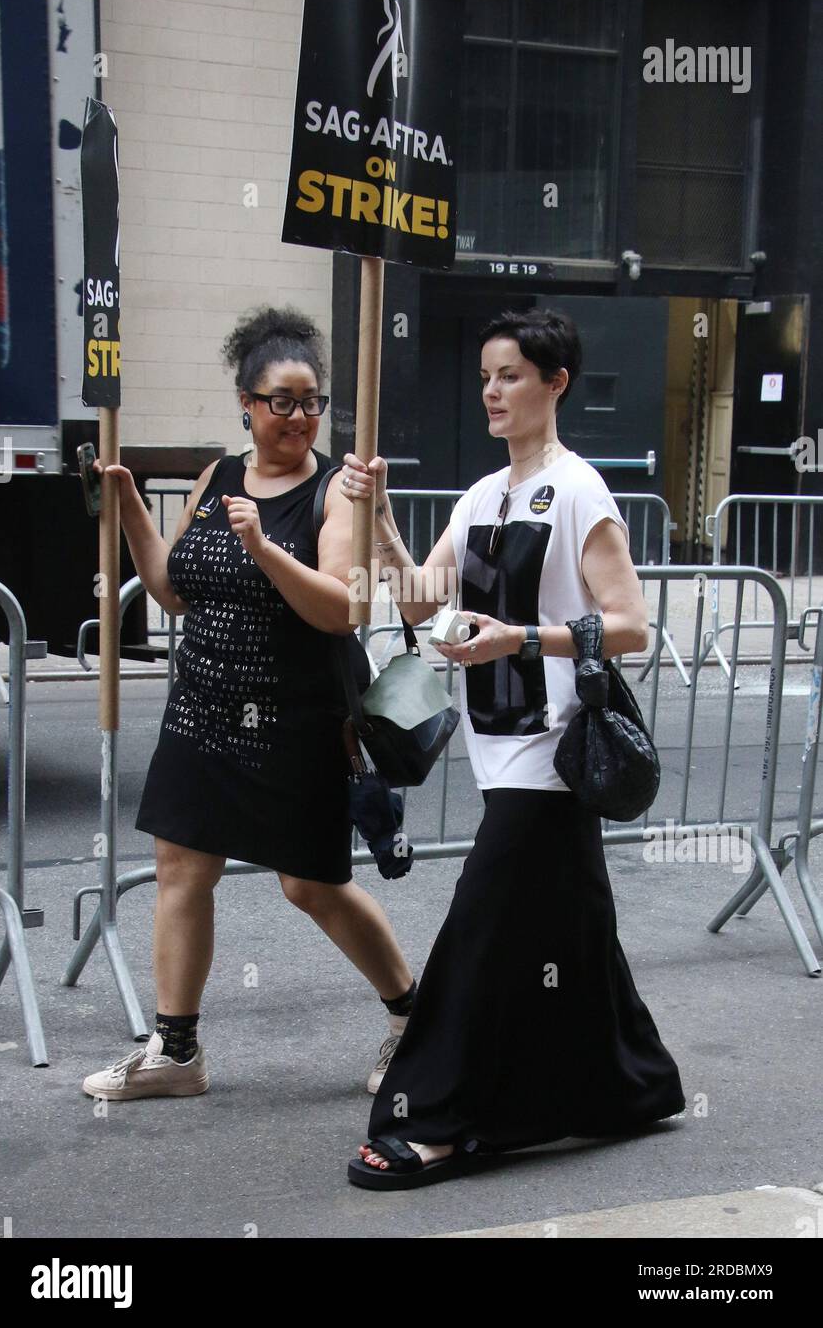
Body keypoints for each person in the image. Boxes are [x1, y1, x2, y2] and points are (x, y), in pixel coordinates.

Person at [340, 307, 685, 1189]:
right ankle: (629, 1084)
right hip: (496, 754)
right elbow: (420, 600)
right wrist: (379, 515)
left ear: (555, 384)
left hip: (555, 753)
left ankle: (439, 1118)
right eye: (486, 375)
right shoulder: (479, 496)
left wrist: (520, 640)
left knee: (485, 933)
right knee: (571, 934)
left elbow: (630, 626)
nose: (492, 390)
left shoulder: (580, 491)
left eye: (512, 375)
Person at [82, 307, 417, 1102]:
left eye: (312, 402)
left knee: (310, 884)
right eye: (282, 401)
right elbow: (172, 590)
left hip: (294, 719)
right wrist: (128, 503)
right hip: (203, 707)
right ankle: (176, 1052)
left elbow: (342, 608)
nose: (300, 418)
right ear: (246, 401)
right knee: (180, 869)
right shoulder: (217, 476)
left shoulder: (340, 489)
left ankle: (413, 1015)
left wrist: (264, 549)